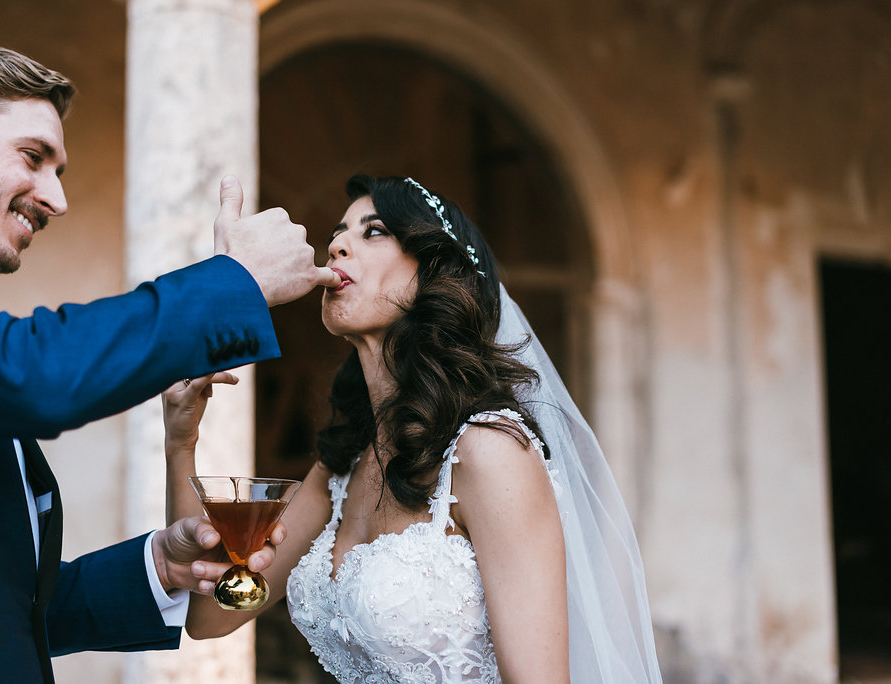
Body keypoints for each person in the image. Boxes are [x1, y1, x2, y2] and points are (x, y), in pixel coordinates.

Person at [0, 39, 339, 683]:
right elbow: (35, 374)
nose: (55, 198)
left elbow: (2, 608)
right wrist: (235, 283)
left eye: (60, 171)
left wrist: (161, 567)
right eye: (33, 157)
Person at [163, 174, 663, 682]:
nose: (335, 244)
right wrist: (181, 444)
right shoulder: (341, 467)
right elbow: (210, 616)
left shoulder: (488, 453)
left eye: (373, 231)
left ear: (433, 273)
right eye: (338, 232)